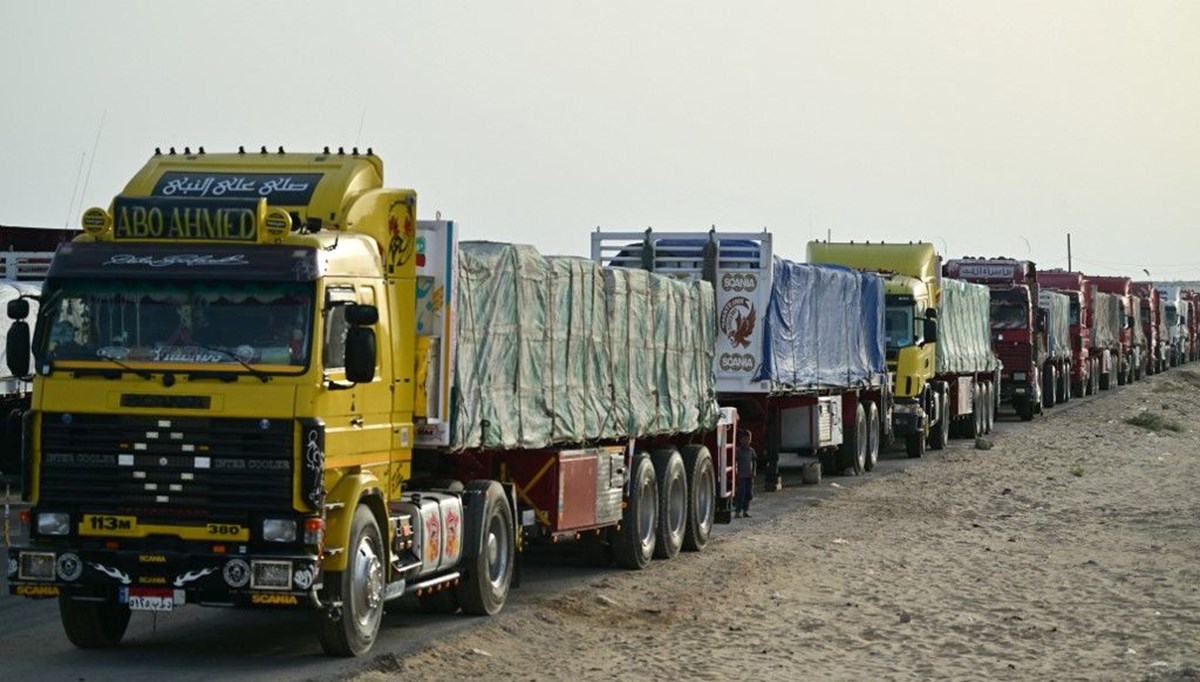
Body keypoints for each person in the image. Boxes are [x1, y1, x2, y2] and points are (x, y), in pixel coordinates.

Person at [734, 429, 757, 518]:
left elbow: (754, 461)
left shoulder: (751, 451)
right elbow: (735, 462)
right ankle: (737, 511)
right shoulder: (738, 451)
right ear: (740, 440)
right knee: (741, 494)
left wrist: (754, 472)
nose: (746, 441)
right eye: (744, 439)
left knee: (748, 494)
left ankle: (745, 511)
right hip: (741, 476)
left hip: (749, 476)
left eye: (748, 439)